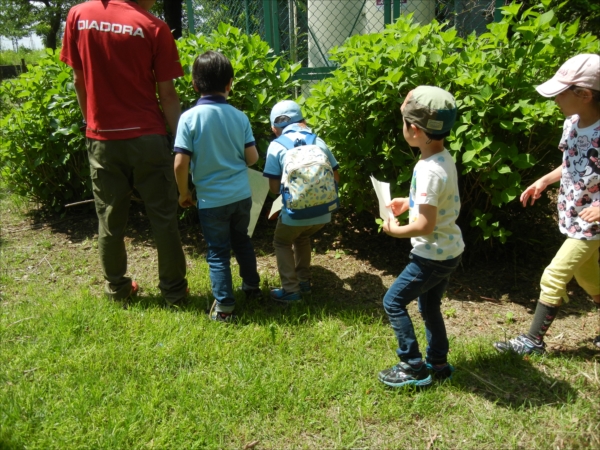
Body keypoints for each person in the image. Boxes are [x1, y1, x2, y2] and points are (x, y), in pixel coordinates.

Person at [60, 0, 188, 305]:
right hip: (149, 138)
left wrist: (91, 123)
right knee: (163, 217)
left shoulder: (79, 15)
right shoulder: (154, 27)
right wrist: (182, 143)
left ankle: (117, 288)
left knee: (109, 217)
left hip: (102, 137)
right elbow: (167, 95)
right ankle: (173, 291)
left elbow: (79, 80)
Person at [494, 54, 600, 354]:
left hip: (592, 222)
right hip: (574, 212)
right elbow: (571, 163)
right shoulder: (573, 123)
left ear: (584, 94)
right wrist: (544, 180)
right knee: (588, 275)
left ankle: (533, 341)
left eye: (560, 92)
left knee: (554, 275)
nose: (555, 98)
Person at [378, 86, 464, 388]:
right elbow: (434, 205)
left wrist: (395, 229)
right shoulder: (442, 158)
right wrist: (409, 202)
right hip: (449, 251)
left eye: (404, 123)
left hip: (430, 255)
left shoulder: (427, 170)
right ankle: (438, 363)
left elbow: (425, 225)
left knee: (393, 302)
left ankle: (413, 365)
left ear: (414, 130)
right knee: (429, 307)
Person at [173, 51, 262, 322]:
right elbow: (253, 158)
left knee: (218, 252)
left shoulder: (189, 118)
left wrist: (184, 192)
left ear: (194, 84)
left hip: (211, 201)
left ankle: (225, 308)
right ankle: (252, 287)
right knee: (243, 242)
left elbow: (179, 164)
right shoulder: (239, 117)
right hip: (241, 196)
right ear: (230, 84)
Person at [263, 100, 340, 302]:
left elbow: (272, 189)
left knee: (281, 242)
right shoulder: (318, 141)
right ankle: (304, 282)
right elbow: (336, 177)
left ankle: (291, 290)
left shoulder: (276, 146)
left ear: (274, 127)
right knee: (302, 237)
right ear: (303, 121)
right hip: (323, 213)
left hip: (295, 214)